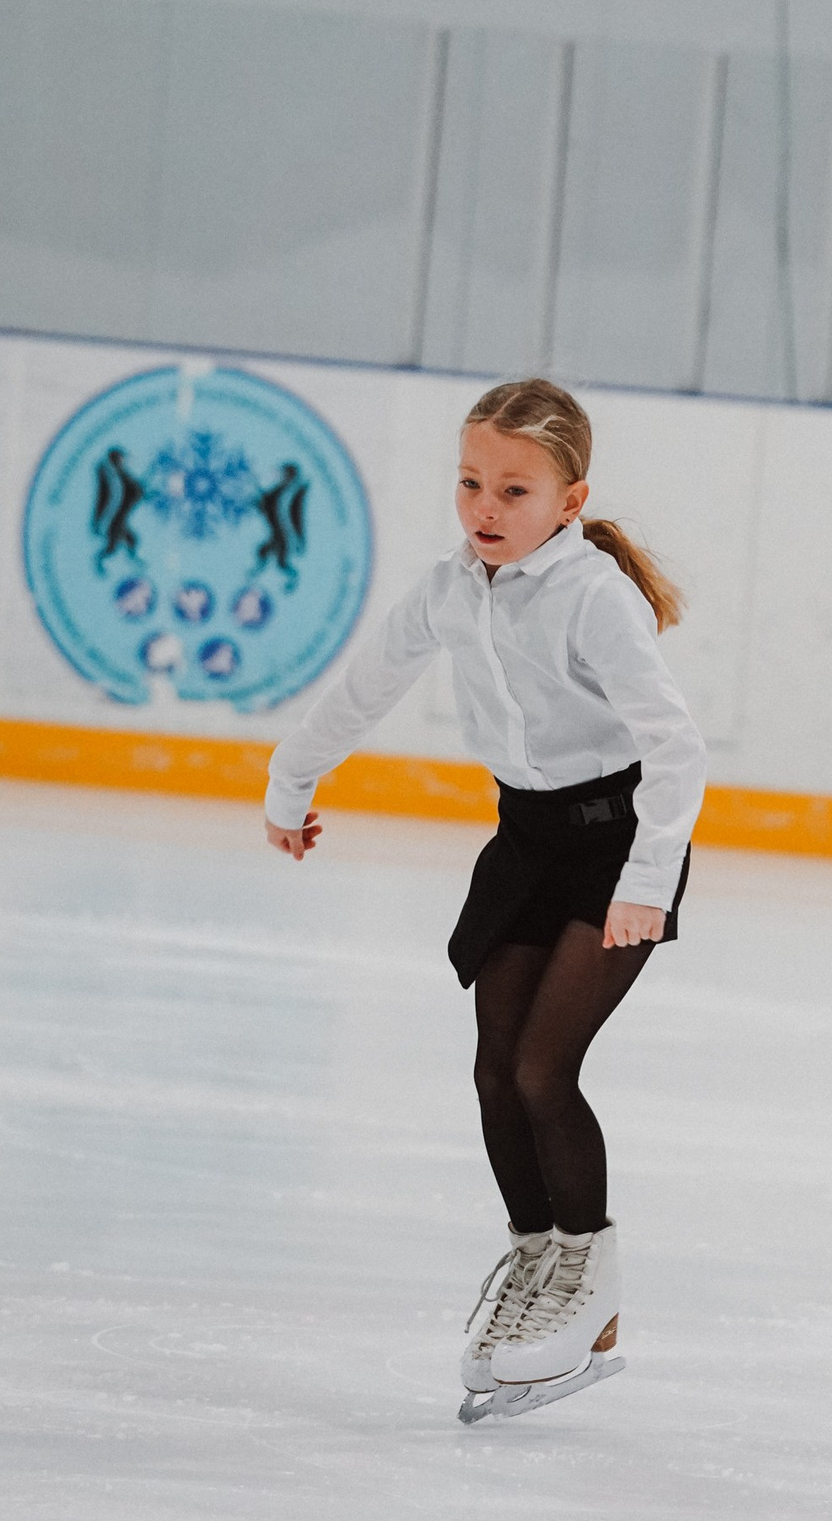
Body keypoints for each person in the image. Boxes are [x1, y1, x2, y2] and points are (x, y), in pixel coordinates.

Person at [261, 379, 702, 1420]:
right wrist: (291, 784)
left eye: (513, 488)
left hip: (617, 847)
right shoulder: (451, 589)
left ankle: (590, 1283)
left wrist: (645, 884)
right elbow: (364, 685)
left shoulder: (596, 595)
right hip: (526, 843)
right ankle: (533, 1262)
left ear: (569, 498)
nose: (484, 508)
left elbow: (674, 746)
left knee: (547, 1066)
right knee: (494, 1070)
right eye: (470, 483)